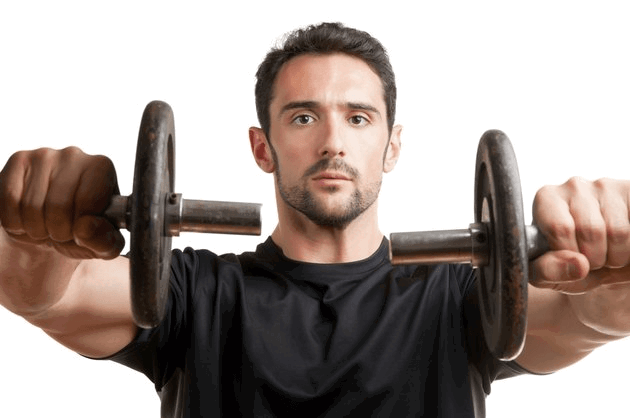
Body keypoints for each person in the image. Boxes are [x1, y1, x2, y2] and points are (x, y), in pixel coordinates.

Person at [1, 22, 629, 418]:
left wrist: (616, 261)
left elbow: (589, 316)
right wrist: (36, 222)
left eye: (358, 118)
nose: (333, 142)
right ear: (261, 146)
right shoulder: (194, 293)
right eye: (303, 117)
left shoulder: (458, 298)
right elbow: (49, 289)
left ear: (392, 145)